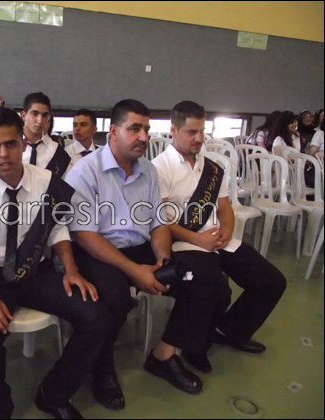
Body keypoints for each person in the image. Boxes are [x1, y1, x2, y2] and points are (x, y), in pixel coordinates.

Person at [66, 99, 230, 405]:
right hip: (99, 252)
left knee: (203, 277)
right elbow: (85, 235)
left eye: (146, 129)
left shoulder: (148, 171)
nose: (143, 136)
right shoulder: (85, 172)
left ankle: (164, 354)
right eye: (134, 129)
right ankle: (100, 368)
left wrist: (163, 260)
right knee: (114, 297)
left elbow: (158, 223)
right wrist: (134, 271)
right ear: (113, 132)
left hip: (141, 248)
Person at [0, 107, 112, 419]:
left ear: (23, 143)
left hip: (36, 271)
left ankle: (53, 394)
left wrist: (71, 269)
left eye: (10, 144)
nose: (3, 154)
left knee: (96, 315)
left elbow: (57, 229)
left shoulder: (46, 182)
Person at [152, 100, 286, 359]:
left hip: (215, 238)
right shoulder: (159, 168)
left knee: (272, 281)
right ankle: (191, 348)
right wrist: (198, 240)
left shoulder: (212, 168)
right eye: (191, 132)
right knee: (215, 288)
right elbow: (162, 222)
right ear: (174, 130)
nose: (199, 138)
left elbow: (224, 207)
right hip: (182, 242)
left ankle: (230, 330)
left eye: (202, 131)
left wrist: (227, 230)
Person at [21, 92, 71, 177]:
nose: (40, 120)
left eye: (45, 115)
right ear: (23, 116)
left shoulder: (58, 152)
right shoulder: (8, 146)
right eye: (35, 114)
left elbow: (65, 182)